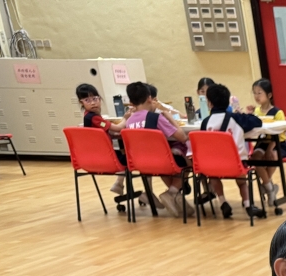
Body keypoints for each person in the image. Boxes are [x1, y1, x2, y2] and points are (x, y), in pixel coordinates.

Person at [122, 81, 191, 217]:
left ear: (131, 102)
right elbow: (182, 137)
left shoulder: (129, 122)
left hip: (141, 163)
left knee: (163, 163)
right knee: (189, 162)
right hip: (162, 162)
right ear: (150, 98)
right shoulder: (156, 118)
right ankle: (172, 193)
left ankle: (175, 197)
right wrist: (170, 118)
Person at [199, 82, 264, 219]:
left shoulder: (205, 122)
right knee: (242, 181)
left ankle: (223, 202)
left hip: (213, 165)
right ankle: (248, 204)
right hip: (236, 165)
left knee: (213, 175)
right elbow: (257, 122)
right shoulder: (235, 118)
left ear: (209, 103)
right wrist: (247, 114)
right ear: (228, 101)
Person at [77, 83, 130, 203]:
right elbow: (118, 128)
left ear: (100, 99)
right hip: (105, 158)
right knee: (129, 158)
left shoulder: (88, 116)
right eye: (87, 100)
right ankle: (119, 183)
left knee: (122, 155)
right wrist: (125, 118)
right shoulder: (95, 118)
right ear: (81, 103)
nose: (93, 103)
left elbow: (100, 133)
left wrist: (111, 135)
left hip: (93, 157)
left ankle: (119, 184)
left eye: (95, 99)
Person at [246, 78, 286, 209]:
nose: (256, 96)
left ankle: (265, 185)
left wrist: (270, 148)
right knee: (255, 158)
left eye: (260, 93)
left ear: (269, 95)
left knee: (273, 156)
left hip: (278, 143)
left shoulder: (278, 112)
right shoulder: (256, 111)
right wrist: (249, 115)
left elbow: (281, 132)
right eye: (254, 93)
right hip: (262, 143)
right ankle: (270, 188)